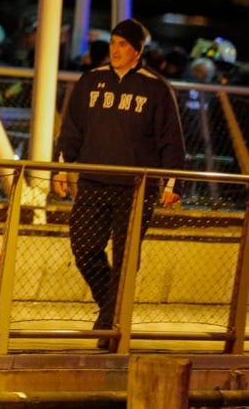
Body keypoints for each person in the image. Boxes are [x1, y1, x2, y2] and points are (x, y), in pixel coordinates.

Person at [55, 18, 184, 348]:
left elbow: (171, 140)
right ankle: (110, 311)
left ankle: (109, 324)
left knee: (126, 256)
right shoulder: (91, 81)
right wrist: (59, 165)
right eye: (113, 43)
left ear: (138, 50)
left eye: (123, 44)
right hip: (93, 182)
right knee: (84, 247)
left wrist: (172, 183)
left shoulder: (156, 88)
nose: (115, 49)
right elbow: (72, 129)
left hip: (137, 187)